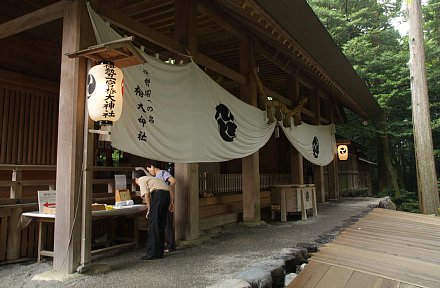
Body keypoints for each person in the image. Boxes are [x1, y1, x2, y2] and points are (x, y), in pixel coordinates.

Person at [133, 169, 170, 260]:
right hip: (166, 196)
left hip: (158, 196)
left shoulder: (141, 179)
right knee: (161, 224)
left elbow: (146, 195)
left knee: (153, 225)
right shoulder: (152, 178)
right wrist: (171, 203)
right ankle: (159, 252)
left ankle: (152, 253)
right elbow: (169, 188)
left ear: (136, 179)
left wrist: (149, 209)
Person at [146, 160, 176, 252]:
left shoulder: (163, 173)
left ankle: (171, 246)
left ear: (152, 167)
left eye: (149, 169)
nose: (150, 172)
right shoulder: (156, 176)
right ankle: (164, 245)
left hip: (164, 199)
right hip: (162, 199)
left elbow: (173, 181)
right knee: (163, 223)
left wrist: (167, 188)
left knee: (167, 223)